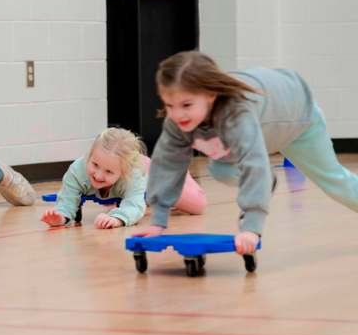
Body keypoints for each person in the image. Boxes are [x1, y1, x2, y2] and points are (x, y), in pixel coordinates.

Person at [135, 50, 358, 254]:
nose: (177, 114)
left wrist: (251, 228)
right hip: (260, 126)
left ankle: (266, 180)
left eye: (186, 105)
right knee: (222, 170)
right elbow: (167, 165)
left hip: (298, 121)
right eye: (169, 105)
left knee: (334, 181)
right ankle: (266, 179)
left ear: (210, 95)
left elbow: (254, 163)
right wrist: (158, 221)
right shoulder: (178, 121)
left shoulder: (237, 114)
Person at [41, 127, 206, 229]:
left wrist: (118, 218)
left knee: (197, 205)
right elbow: (67, 200)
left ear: (123, 172)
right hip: (131, 174)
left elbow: (134, 205)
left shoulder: (134, 174)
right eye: (95, 164)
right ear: (90, 154)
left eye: (108, 171)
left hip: (153, 172)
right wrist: (60, 216)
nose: (98, 175)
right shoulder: (77, 170)